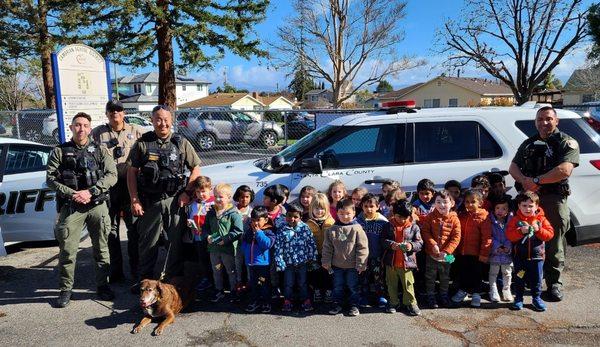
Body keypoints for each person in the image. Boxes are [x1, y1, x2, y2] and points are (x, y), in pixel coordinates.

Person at [46, 112, 118, 307]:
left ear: (90, 128)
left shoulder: (100, 150)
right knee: (68, 251)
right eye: (77, 125)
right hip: (72, 207)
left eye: (85, 125)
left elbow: (112, 175)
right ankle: (65, 289)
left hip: (97, 205)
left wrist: (91, 192)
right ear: (71, 128)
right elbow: (50, 180)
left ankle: (103, 286)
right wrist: (72, 194)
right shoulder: (60, 152)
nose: (81, 129)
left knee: (102, 249)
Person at [509, 106, 579, 302]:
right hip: (528, 201)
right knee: (525, 239)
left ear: (556, 121)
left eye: (548, 119)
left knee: (553, 240)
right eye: (540, 119)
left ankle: (554, 283)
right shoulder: (529, 143)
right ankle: (528, 280)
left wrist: (537, 181)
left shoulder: (566, 142)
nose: (544, 122)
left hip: (552, 199)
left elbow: (565, 170)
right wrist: (524, 180)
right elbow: (513, 166)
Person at [127, 105, 202, 285]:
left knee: (175, 243)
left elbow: (196, 169)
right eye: (158, 119)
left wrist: (187, 192)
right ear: (152, 121)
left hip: (175, 200)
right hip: (149, 201)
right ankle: (144, 282)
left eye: (166, 119)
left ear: (171, 120)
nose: (163, 123)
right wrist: (134, 199)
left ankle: (172, 281)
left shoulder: (181, 142)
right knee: (148, 244)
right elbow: (131, 172)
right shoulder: (143, 143)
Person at [91, 100, 144, 282]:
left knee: (133, 228)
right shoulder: (98, 133)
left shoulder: (135, 130)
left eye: (119, 110)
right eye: (111, 110)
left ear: (124, 113)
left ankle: (136, 270)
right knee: (111, 230)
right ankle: (116, 271)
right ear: (107, 113)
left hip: (130, 185)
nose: (115, 113)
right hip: (109, 186)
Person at [506, 191, 554, 311]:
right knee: (519, 278)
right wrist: (520, 231)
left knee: (536, 279)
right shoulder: (515, 220)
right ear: (519, 206)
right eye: (524, 205)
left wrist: (538, 230)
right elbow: (509, 235)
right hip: (520, 258)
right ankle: (518, 298)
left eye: (531, 206)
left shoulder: (541, 220)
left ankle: (536, 298)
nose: (527, 209)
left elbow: (550, 235)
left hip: (537, 258)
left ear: (537, 206)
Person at [322, 199, 369, 317]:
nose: (345, 216)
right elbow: (327, 247)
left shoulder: (357, 228)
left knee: (353, 286)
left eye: (348, 213)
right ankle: (337, 303)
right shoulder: (332, 229)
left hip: (353, 266)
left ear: (354, 213)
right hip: (337, 266)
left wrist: (361, 264)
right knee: (337, 286)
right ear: (336, 213)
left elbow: (362, 247)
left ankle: (354, 305)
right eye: (341, 214)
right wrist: (326, 261)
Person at [420, 190, 461, 309]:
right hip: (431, 253)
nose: (442, 205)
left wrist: (447, 251)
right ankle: (430, 296)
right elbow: (425, 232)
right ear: (434, 203)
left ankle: (444, 295)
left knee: (445, 276)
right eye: (438, 202)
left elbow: (456, 237)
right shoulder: (430, 217)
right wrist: (433, 245)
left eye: (445, 202)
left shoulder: (454, 219)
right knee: (430, 276)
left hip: (448, 255)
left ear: (452, 204)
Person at [381, 200, 423, 316]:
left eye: (405, 217)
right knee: (391, 284)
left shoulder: (414, 227)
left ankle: (410, 303)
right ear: (393, 214)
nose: (402, 220)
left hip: (407, 263)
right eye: (399, 217)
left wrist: (411, 246)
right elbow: (382, 240)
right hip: (391, 262)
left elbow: (419, 243)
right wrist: (391, 245)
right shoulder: (388, 225)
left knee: (408, 284)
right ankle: (393, 303)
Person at [204, 183, 244, 302]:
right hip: (214, 250)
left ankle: (233, 291)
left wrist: (225, 239)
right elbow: (205, 227)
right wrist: (207, 236)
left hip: (228, 250)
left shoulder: (234, 214)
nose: (217, 199)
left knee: (231, 271)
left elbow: (238, 230)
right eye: (215, 196)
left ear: (228, 197)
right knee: (216, 270)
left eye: (220, 197)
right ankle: (219, 290)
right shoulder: (211, 212)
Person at [274, 204, 317, 312]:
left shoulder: (305, 228)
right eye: (289, 216)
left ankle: (305, 300)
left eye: (295, 217)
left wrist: (312, 258)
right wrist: (280, 261)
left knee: (303, 283)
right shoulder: (282, 229)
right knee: (288, 283)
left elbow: (311, 243)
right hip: (288, 263)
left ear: (300, 217)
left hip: (303, 262)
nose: (292, 219)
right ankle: (287, 300)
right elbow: (278, 246)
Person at [452, 189, 490, 307]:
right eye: (467, 202)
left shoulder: (484, 217)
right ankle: (463, 291)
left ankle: (476, 294)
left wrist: (484, 253)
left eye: (473, 202)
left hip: (477, 254)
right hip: (462, 252)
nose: (469, 204)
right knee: (463, 273)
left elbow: (487, 237)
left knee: (476, 275)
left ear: (480, 203)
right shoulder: (462, 216)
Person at [356, 193, 389, 309]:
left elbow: (386, 239)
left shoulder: (383, 222)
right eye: (366, 206)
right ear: (362, 206)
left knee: (378, 277)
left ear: (377, 206)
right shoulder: (357, 222)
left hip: (377, 255)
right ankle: (364, 296)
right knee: (363, 277)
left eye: (371, 206)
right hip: (362, 257)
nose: (369, 209)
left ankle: (380, 296)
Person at [242, 207, 276, 313]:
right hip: (251, 264)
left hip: (263, 265)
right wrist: (246, 255)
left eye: (258, 220)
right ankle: (255, 301)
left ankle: (266, 302)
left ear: (265, 220)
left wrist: (259, 232)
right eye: (253, 220)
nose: (255, 223)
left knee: (263, 284)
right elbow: (244, 244)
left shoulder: (269, 231)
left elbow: (266, 244)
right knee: (253, 284)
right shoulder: (249, 232)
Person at [483, 195, 514, 303]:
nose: (500, 211)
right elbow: (488, 235)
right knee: (493, 273)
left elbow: (512, 235)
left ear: (508, 210)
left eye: (504, 208)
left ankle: (506, 290)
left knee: (507, 273)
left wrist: (507, 246)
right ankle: (493, 290)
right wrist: (497, 246)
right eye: (497, 208)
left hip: (506, 253)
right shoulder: (489, 221)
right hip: (495, 253)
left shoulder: (511, 221)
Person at [306, 193, 335, 303]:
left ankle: (329, 291)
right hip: (314, 254)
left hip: (328, 254)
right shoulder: (308, 224)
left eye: (322, 208)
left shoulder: (331, 222)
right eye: (316, 208)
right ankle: (317, 291)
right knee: (315, 273)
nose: (319, 211)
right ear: (311, 209)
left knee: (328, 274)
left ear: (327, 208)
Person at [188, 176, 215, 292]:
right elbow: (191, 218)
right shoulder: (193, 204)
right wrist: (190, 223)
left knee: (214, 259)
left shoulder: (214, 203)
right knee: (203, 259)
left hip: (211, 238)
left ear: (210, 189)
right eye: (198, 192)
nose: (201, 194)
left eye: (203, 191)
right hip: (199, 238)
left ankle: (217, 279)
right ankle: (206, 279)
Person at [233, 185, 255, 293]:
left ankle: (250, 282)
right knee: (237, 263)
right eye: (242, 197)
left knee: (248, 263)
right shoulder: (232, 210)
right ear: (237, 197)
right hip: (235, 243)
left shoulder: (252, 211)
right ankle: (238, 281)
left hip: (248, 243)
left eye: (247, 197)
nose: (244, 199)